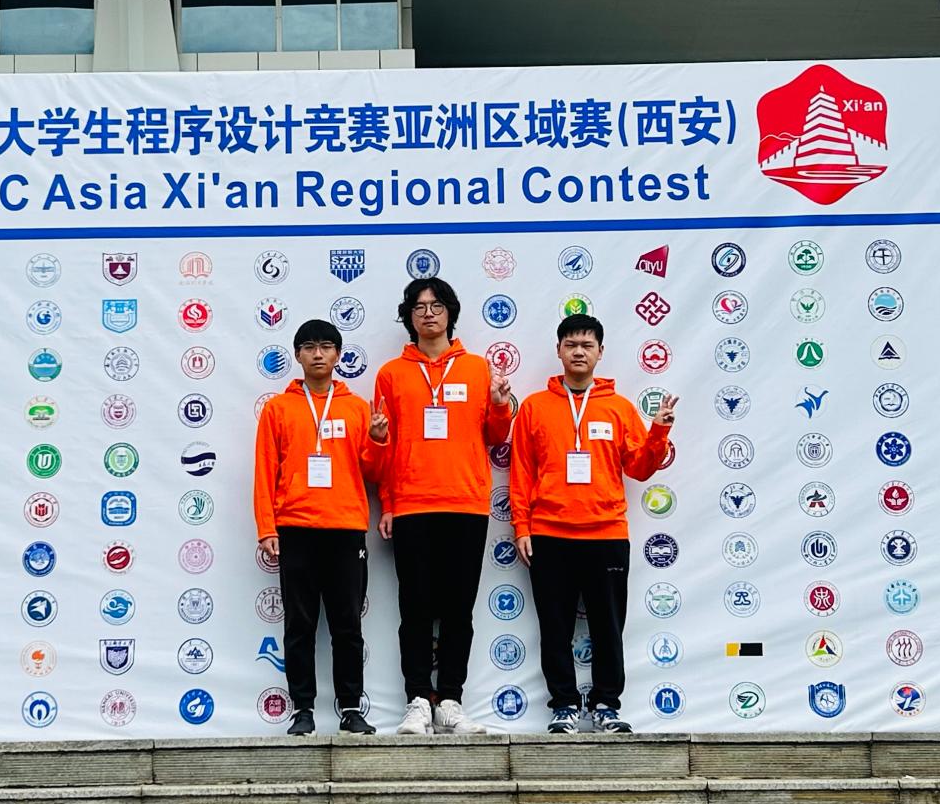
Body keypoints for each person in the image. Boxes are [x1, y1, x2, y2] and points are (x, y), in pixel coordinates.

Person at [509, 313, 677, 734]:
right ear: (559, 351)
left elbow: (640, 469)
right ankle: (563, 706)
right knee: (555, 628)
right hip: (550, 534)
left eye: (587, 345)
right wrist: (522, 526)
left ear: (600, 352)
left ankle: (606, 705)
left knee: (608, 626)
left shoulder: (619, 408)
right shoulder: (534, 407)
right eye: (571, 344)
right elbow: (521, 472)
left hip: (606, 534)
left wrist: (658, 432)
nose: (578, 352)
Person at [374, 277, 515, 735]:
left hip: (466, 504)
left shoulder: (478, 369)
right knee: (414, 609)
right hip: (412, 504)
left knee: (458, 610)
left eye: (436, 305)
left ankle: (451, 700)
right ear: (409, 317)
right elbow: (384, 446)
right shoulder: (391, 375)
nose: (428, 313)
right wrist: (388, 503)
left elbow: (496, 436)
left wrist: (500, 406)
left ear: (451, 312)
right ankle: (418, 700)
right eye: (419, 307)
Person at [253, 318, 390, 736]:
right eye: (309, 347)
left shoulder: (357, 408)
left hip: (346, 528)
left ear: (338, 355)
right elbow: (264, 471)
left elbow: (372, 472)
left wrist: (378, 439)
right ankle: (302, 709)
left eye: (326, 347)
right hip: (296, 528)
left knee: (348, 625)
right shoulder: (278, 409)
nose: (318, 354)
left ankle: (350, 707)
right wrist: (267, 527)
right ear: (297, 355)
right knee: (299, 625)